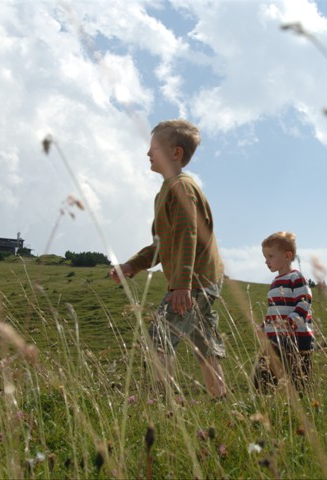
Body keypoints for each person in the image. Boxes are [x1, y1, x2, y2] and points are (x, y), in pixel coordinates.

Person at [109, 119, 227, 400]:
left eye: (155, 148)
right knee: (205, 344)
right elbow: (162, 244)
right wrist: (132, 265)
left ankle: (164, 402)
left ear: (175, 153)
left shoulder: (182, 188)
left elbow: (188, 236)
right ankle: (220, 399)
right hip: (201, 280)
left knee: (159, 337)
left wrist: (182, 285)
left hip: (195, 281)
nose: (148, 153)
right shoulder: (165, 191)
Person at [256, 232, 314, 390]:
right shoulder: (275, 282)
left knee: (299, 380)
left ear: (287, 256)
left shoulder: (296, 277)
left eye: (270, 256)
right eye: (265, 257)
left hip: (297, 340)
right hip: (275, 339)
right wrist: (265, 325)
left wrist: (289, 322)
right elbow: (274, 310)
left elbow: (304, 302)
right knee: (262, 378)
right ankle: (265, 409)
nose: (266, 261)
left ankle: (306, 409)